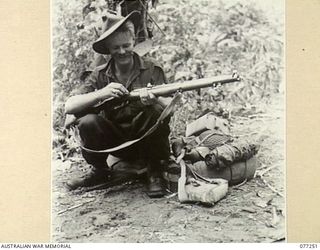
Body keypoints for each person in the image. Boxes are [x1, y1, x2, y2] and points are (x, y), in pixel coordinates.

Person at [64, 11, 172, 198]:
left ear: (134, 42)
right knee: (87, 121)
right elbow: (70, 105)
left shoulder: (152, 68)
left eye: (126, 45)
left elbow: (170, 106)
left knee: (155, 110)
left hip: (146, 140)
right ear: (108, 49)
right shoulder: (99, 74)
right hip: (115, 145)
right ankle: (100, 172)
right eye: (116, 47)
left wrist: (156, 101)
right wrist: (101, 93)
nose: (122, 52)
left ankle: (155, 171)